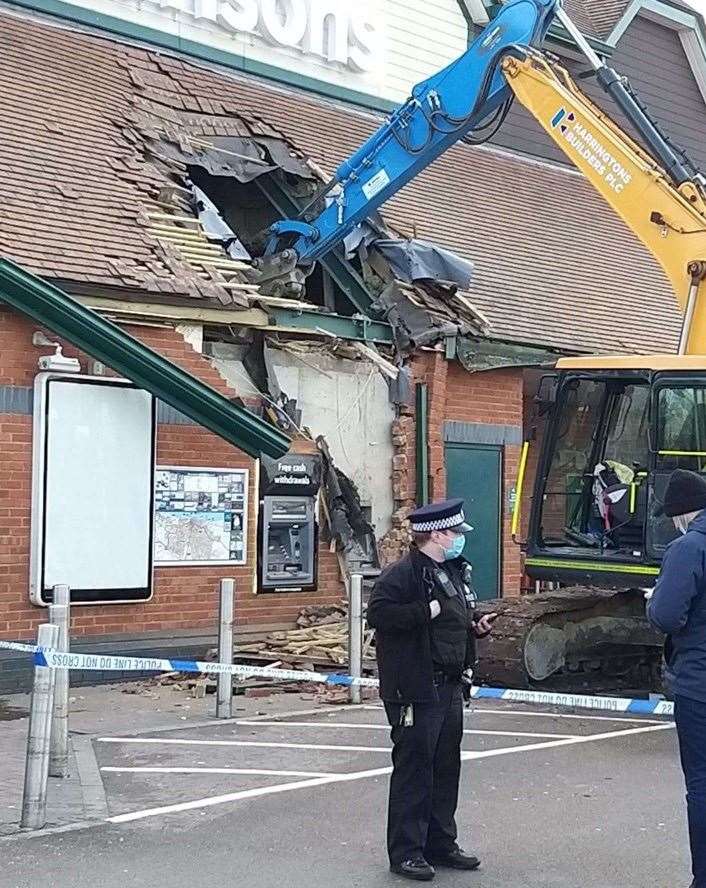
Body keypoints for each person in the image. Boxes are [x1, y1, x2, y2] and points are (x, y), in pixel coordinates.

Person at [367, 497, 497, 882]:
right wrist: (425, 613)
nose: (460, 539)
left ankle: (440, 842)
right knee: (414, 770)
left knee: (445, 766)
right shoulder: (403, 575)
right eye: (455, 533)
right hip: (415, 689)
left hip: (449, 685)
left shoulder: (452, 570)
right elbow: (380, 616)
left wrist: (475, 627)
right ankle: (406, 851)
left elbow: (456, 616)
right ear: (437, 534)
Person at [646, 469, 706, 888]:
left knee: (702, 784)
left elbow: (667, 615)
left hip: (700, 684)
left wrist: (653, 603)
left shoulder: (689, 547)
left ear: (682, 513)